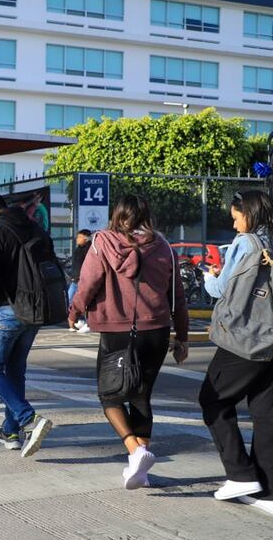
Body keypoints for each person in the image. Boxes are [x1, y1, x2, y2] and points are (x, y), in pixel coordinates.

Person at [69, 196, 188, 489]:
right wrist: (182, 337)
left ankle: (135, 451)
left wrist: (74, 310)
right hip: (157, 330)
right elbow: (177, 296)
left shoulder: (102, 242)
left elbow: (88, 282)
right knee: (141, 396)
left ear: (117, 215)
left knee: (109, 396)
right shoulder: (163, 245)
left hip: (117, 331)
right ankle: (140, 469)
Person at [199, 190, 273, 516]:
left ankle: (240, 474)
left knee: (213, 400)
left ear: (249, 214)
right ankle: (272, 494)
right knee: (267, 415)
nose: (234, 223)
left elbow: (223, 288)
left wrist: (209, 278)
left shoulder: (247, 243)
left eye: (236, 216)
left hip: (247, 338)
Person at [0, 191, 54, 458]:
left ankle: (29, 419)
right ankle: (10, 431)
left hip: (7, 308)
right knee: (15, 371)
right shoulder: (33, 226)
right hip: (35, 310)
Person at [68, 229, 93, 333]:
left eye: (79, 237)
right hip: (75, 280)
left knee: (84, 301)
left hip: (83, 280)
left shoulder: (89, 249)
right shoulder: (78, 249)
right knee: (70, 299)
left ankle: (88, 323)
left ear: (86, 239)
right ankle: (79, 320)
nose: (77, 239)